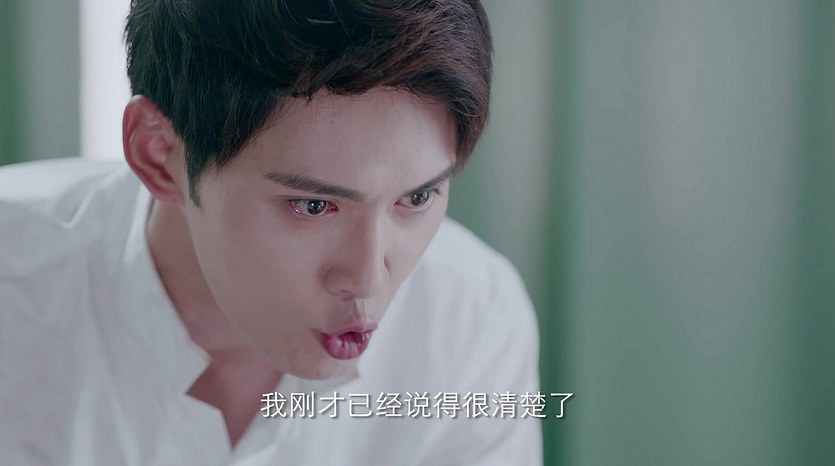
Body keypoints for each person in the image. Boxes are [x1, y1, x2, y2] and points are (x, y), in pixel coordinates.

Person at [0, 0, 541, 464]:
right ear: (159, 155)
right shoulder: (16, 287)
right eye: (313, 205)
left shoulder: (473, 319)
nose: (366, 279)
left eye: (417, 198)